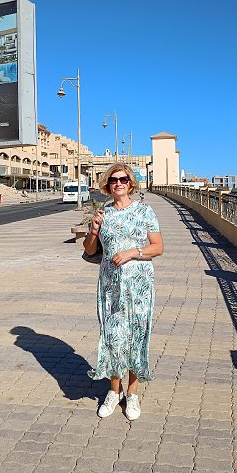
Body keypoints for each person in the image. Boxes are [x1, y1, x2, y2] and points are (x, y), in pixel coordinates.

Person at [84, 163, 164, 420]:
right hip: (110, 285)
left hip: (139, 285)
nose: (118, 183)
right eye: (113, 180)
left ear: (131, 184)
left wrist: (133, 252)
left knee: (136, 337)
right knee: (113, 337)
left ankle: (132, 394)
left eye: (123, 179)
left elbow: (158, 247)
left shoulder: (144, 211)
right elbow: (89, 249)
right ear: (107, 185)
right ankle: (113, 391)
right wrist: (94, 230)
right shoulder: (103, 213)